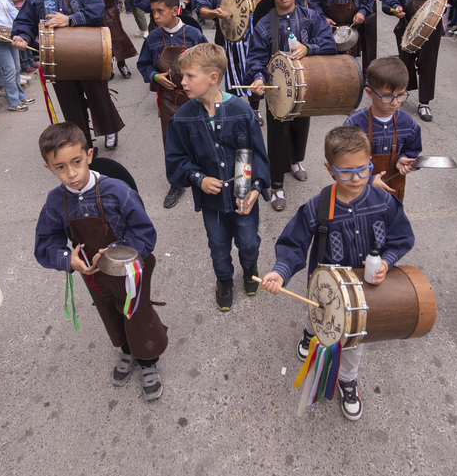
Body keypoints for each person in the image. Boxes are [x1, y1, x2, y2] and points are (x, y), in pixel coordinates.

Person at [260, 126, 415, 420]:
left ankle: (347, 380)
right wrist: (280, 272)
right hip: (324, 291)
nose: (356, 178)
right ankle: (309, 336)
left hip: (362, 293)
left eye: (363, 169)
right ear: (329, 169)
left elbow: (401, 238)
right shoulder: (316, 207)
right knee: (316, 319)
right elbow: (293, 242)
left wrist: (388, 261)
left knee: (354, 341)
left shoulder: (384, 203)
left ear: (371, 163)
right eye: (346, 172)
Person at [34, 122, 168, 401]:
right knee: (109, 312)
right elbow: (46, 243)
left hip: (132, 270)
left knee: (136, 313)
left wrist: (117, 250)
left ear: (90, 155)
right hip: (93, 273)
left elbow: (145, 234)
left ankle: (147, 360)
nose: (71, 174)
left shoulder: (118, 191)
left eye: (76, 162)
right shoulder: (55, 202)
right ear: (48, 168)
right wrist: (67, 260)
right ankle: (127, 351)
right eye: (60, 167)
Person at [164, 43, 269, 310]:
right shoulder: (182, 118)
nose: (183, 82)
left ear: (213, 78)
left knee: (248, 240)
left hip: (243, 194)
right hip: (212, 203)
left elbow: (257, 153)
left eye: (190, 76)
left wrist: (256, 188)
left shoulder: (243, 112)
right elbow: (176, 162)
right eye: (182, 76)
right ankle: (224, 279)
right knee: (218, 245)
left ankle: (249, 267)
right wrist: (198, 178)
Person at [12, 0, 124, 149]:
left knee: (99, 97)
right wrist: (21, 37)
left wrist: (70, 20)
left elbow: (97, 11)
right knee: (70, 105)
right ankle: (84, 145)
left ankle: (109, 131)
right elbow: (24, 23)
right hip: (58, 60)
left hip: (88, 54)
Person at [246, 0, 337, 211]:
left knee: (301, 128)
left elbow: (329, 44)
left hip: (306, 88)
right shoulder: (264, 24)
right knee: (277, 136)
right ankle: (276, 185)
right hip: (277, 91)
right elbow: (255, 58)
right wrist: (256, 78)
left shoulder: (311, 17)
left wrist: (309, 48)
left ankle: (296, 161)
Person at [137, 0, 208, 208]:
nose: (155, 16)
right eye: (153, 12)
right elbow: (144, 64)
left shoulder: (194, 35)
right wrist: (155, 76)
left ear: (175, 10)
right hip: (168, 99)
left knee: (200, 136)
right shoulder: (153, 38)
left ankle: (203, 175)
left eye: (160, 11)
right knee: (171, 141)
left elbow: (209, 60)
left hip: (194, 98)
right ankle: (177, 182)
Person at [382, 0, 457, 122]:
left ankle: (424, 102)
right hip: (407, 26)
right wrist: (396, 7)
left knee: (428, 63)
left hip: (432, 30)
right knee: (404, 62)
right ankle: (400, 95)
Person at [195, 0, 268, 109]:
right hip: (225, 33)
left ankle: (254, 110)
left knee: (251, 67)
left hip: (249, 32)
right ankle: (235, 110)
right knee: (229, 72)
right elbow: (201, 10)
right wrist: (215, 13)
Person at [343, 57, 422, 200]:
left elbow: (413, 151)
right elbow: (340, 163)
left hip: (393, 194)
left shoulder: (409, 124)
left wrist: (406, 161)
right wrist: (369, 180)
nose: (395, 102)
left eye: (401, 95)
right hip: (359, 194)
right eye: (387, 96)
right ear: (370, 93)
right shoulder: (354, 125)